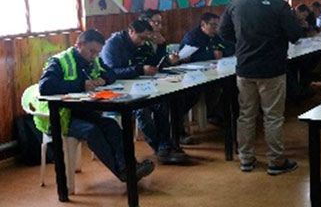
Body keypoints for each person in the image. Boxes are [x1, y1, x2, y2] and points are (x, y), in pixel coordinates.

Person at [33, 29, 155, 182]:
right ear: (79, 45)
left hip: (82, 112)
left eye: (97, 52)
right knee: (92, 131)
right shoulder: (59, 61)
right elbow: (45, 87)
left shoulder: (94, 60)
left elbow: (112, 73)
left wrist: (103, 79)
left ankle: (130, 166)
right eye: (91, 51)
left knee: (111, 125)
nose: (94, 56)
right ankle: (125, 172)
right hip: (60, 117)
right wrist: (81, 85)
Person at [220, 0, 303, 175]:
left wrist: (242, 43)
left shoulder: (236, 4)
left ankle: (246, 159)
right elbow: (295, 35)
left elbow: (223, 31)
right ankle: (276, 161)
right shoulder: (279, 5)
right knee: (272, 117)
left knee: (246, 115)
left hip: (244, 68)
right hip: (272, 69)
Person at [102, 20, 189, 165]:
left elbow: (155, 63)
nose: (143, 42)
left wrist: (162, 47)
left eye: (146, 39)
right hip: (118, 91)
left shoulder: (144, 44)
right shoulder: (113, 45)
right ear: (131, 31)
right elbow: (111, 72)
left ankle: (166, 145)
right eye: (141, 38)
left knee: (162, 103)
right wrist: (139, 70)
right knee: (142, 110)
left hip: (140, 85)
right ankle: (159, 147)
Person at [175, 13, 235, 142]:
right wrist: (211, 54)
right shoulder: (192, 37)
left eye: (217, 25)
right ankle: (177, 131)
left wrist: (221, 52)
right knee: (190, 95)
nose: (216, 28)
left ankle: (218, 116)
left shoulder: (215, 36)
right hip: (191, 77)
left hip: (212, 73)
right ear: (203, 25)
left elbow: (230, 48)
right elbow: (186, 58)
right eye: (213, 25)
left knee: (231, 86)